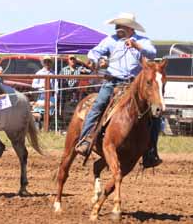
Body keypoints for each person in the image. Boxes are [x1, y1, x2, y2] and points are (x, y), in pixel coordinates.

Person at [74, 12, 161, 168]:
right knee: (98, 106)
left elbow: (152, 53)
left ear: (129, 27)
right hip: (112, 82)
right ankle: (86, 139)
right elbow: (93, 52)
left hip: (134, 86)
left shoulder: (143, 41)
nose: (117, 28)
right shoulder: (111, 40)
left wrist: (136, 45)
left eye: (120, 25)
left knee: (154, 114)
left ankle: (150, 151)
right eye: (117, 25)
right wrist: (97, 59)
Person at [31, 56, 57, 124]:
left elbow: (56, 86)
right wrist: (42, 86)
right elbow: (33, 85)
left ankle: (46, 127)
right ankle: (38, 126)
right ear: (43, 63)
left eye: (49, 61)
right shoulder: (39, 73)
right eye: (46, 61)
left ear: (51, 63)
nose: (47, 63)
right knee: (39, 111)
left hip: (51, 96)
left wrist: (55, 91)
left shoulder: (54, 73)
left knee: (49, 111)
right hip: (41, 96)